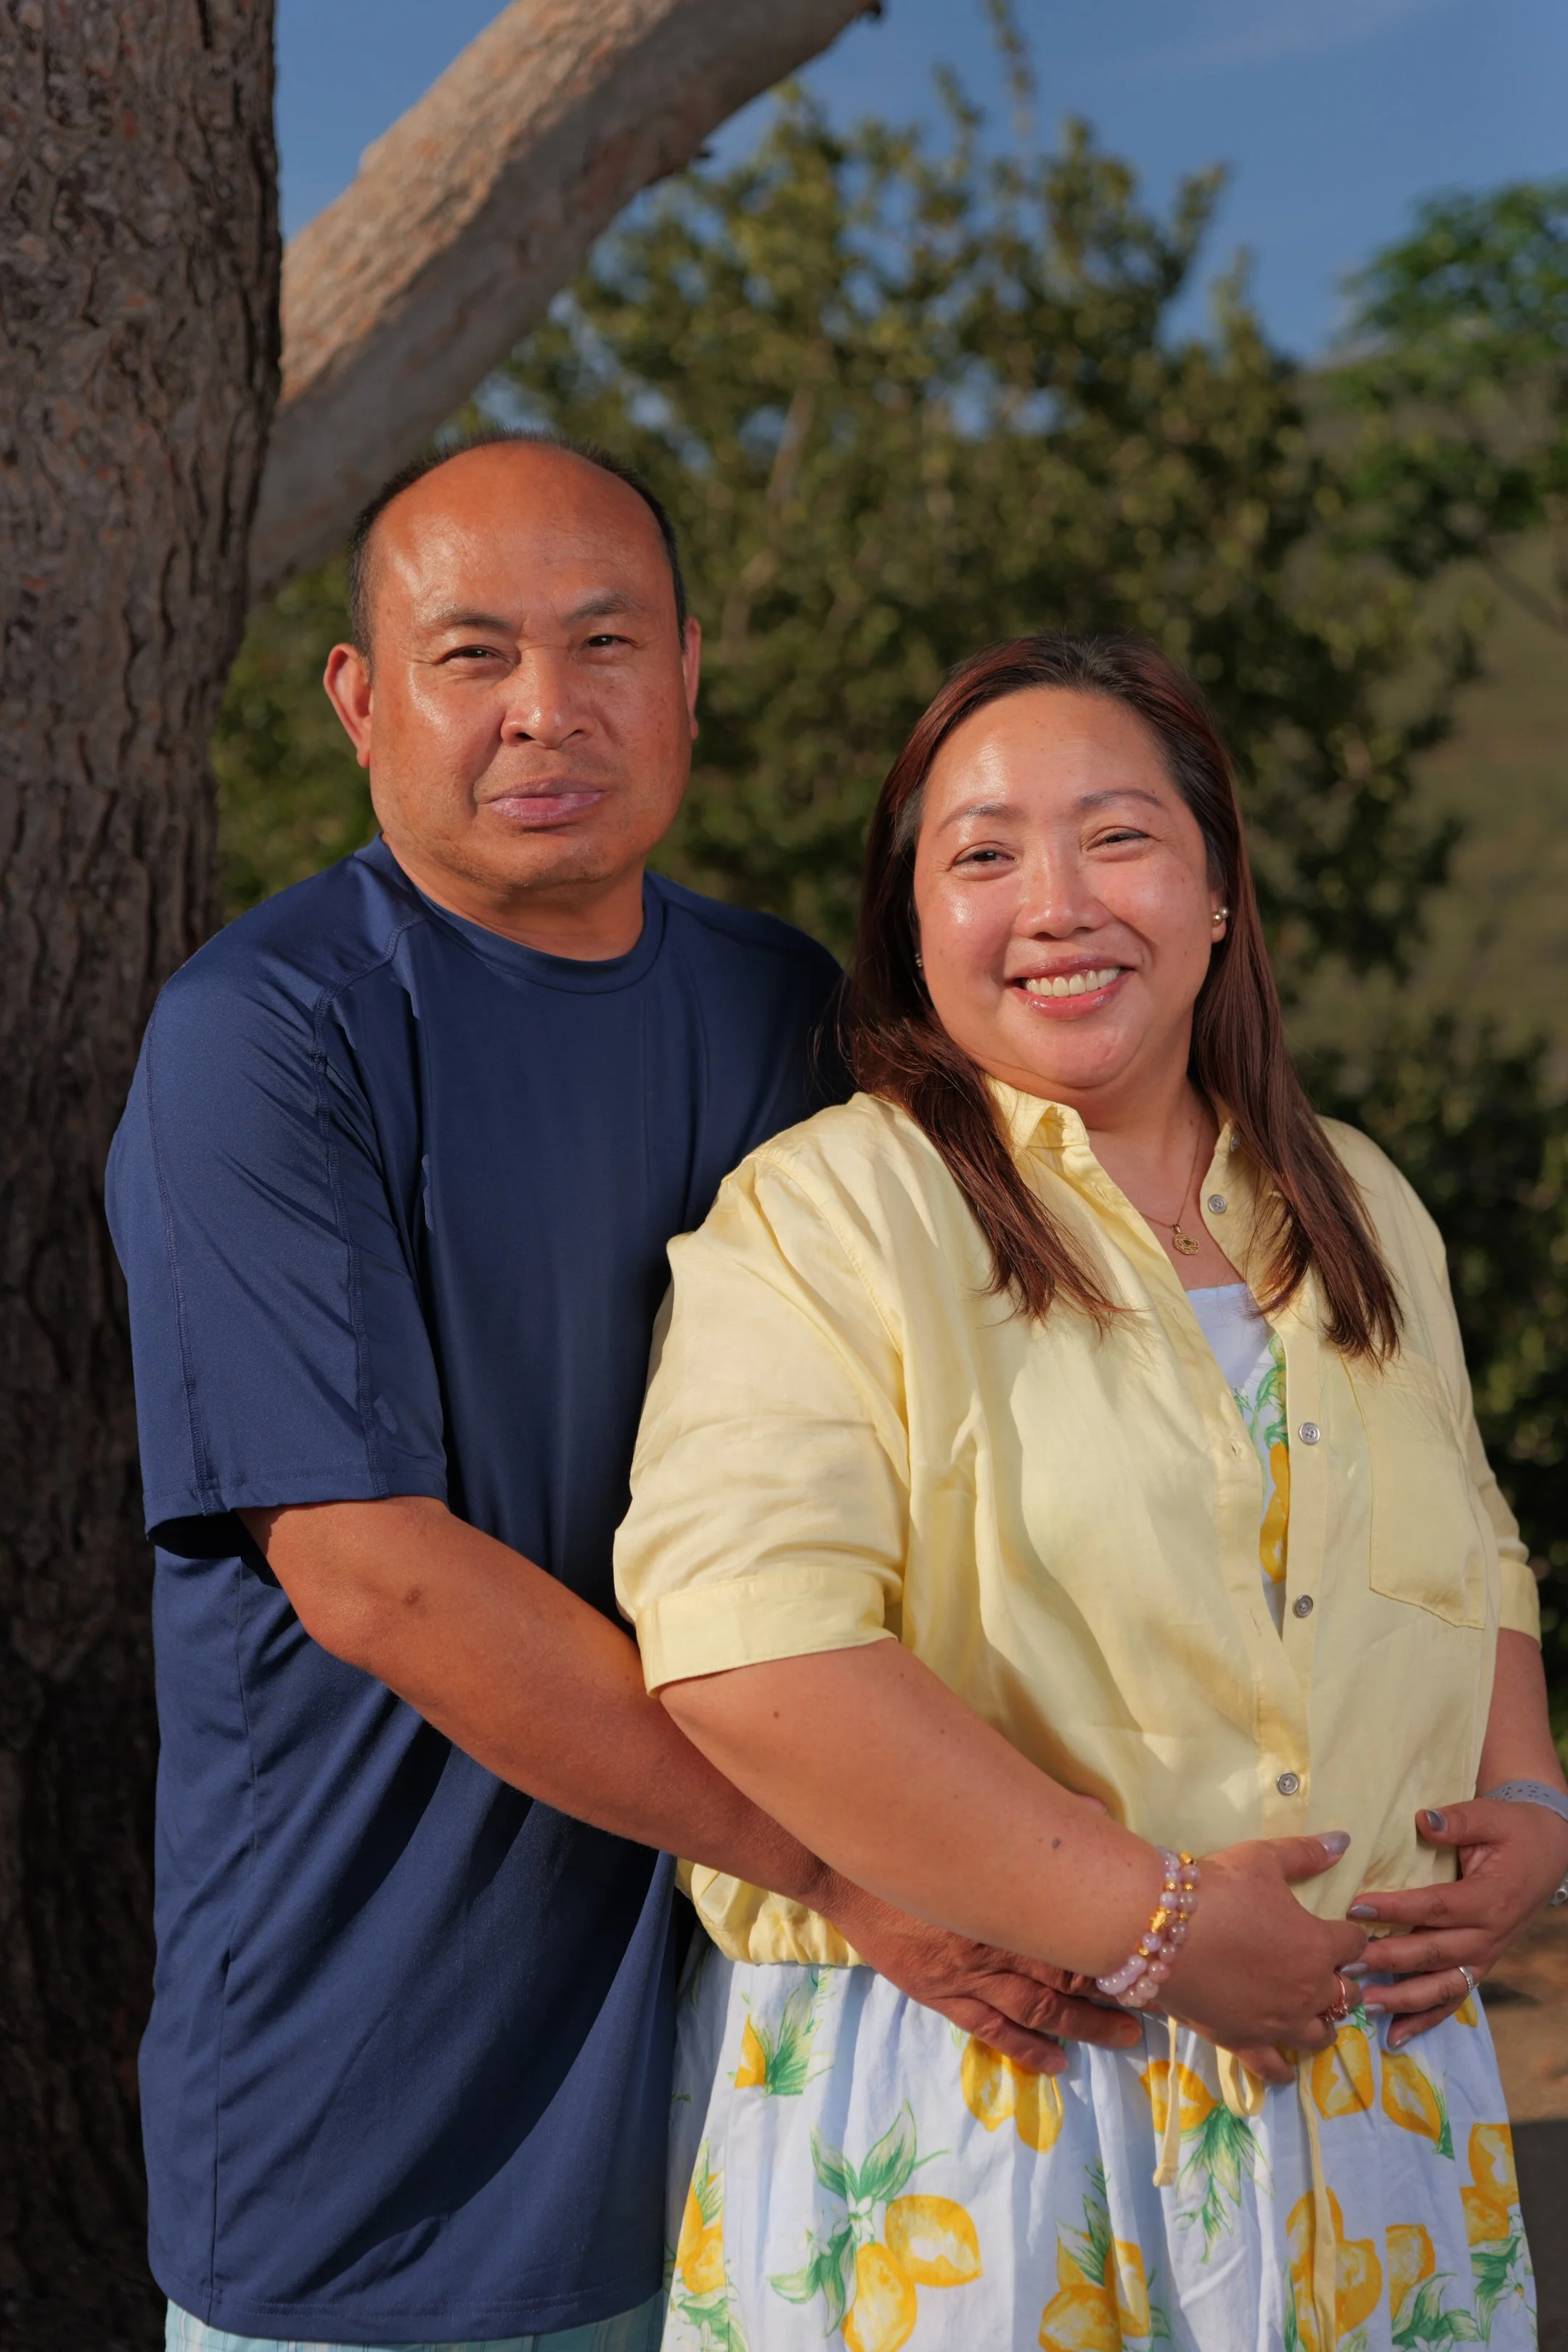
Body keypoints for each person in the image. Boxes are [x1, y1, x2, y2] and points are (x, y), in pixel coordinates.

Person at [106, 444, 1137, 2352]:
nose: (544, 711)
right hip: (389, 2099)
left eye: (604, 644)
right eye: (471, 655)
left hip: (770, 2073)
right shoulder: (271, 1035)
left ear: (686, 680)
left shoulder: (787, 1009)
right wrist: (856, 1865)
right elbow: (371, 1573)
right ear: (359, 698)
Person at [615, 634, 1567, 2351]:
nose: (1053, 903)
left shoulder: (1357, 1199)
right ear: (915, 931)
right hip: (998, 2093)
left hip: (1371, 2091)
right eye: (981, 855)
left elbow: (1473, 1541)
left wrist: (1530, 1793)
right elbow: (750, 1659)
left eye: (1117, 837)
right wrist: (1158, 1930)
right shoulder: (827, 1216)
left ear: (1217, 896)